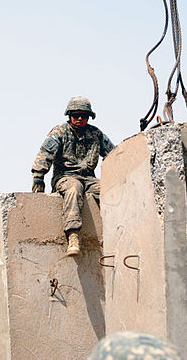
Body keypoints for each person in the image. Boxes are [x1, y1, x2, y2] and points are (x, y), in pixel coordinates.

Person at [31, 96, 115, 256]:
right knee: (74, 189)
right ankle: (73, 236)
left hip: (89, 178)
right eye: (76, 115)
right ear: (69, 115)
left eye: (84, 116)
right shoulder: (60, 132)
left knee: (109, 189)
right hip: (65, 177)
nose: (80, 119)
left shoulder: (95, 134)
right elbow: (45, 153)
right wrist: (38, 176)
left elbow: (114, 154)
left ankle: (115, 229)